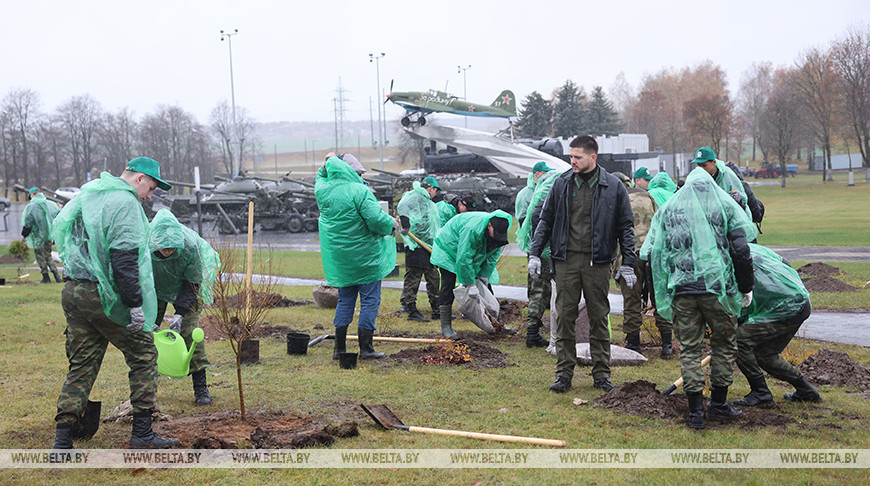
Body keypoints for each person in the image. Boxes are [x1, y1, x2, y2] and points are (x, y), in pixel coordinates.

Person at [51, 156, 179, 449]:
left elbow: (64, 232)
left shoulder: (91, 192)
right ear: (139, 179)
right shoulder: (125, 203)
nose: (150, 196)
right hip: (102, 294)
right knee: (144, 354)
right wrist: (134, 304)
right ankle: (143, 433)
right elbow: (123, 260)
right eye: (152, 188)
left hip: (73, 291)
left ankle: (63, 441)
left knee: (82, 364)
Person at [640, 166, 756, 430]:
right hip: (718, 291)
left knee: (690, 350)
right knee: (724, 344)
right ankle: (718, 405)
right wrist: (746, 286)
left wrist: (660, 295)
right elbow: (740, 248)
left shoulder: (670, 210)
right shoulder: (724, 207)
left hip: (683, 291)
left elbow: (652, 253)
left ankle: (694, 412)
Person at [529, 135, 636, 394]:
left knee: (599, 317)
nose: (572, 161)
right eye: (571, 156)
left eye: (577, 157)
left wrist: (628, 262)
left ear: (593, 157)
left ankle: (601, 374)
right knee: (565, 316)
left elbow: (626, 226)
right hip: (566, 261)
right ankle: (564, 374)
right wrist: (534, 253)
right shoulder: (562, 183)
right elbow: (546, 220)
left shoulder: (613, 186)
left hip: (597, 263)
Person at [316, 152, 398, 360]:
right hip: (366, 258)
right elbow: (376, 220)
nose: (362, 177)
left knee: (345, 301)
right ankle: (366, 348)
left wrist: (328, 163)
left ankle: (339, 349)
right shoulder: (359, 191)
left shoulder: (323, 190)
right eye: (359, 173)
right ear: (352, 172)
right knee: (370, 301)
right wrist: (392, 224)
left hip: (342, 260)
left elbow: (320, 175)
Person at [733, 244, 820, 407]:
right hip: (800, 301)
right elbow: (785, 262)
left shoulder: (730, 263)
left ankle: (760, 393)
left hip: (785, 308)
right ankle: (806, 391)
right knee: (765, 353)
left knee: (739, 341)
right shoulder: (749, 248)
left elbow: (739, 307)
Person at [149, 209, 221, 406]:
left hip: (187, 285)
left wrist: (180, 314)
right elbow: (139, 281)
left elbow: (192, 282)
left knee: (190, 333)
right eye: (165, 248)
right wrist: (148, 319)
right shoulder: (143, 246)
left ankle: (201, 387)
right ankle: (146, 388)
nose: (170, 251)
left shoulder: (190, 246)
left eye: (173, 248)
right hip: (153, 288)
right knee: (145, 335)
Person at [611, 172, 674, 359]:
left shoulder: (614, 199)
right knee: (660, 299)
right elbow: (661, 222)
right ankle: (667, 345)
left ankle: (633, 345)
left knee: (631, 300)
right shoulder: (648, 196)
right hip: (654, 253)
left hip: (628, 256)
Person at [431, 210, 512, 338]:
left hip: (466, 253)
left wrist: (484, 275)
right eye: (495, 233)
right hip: (448, 249)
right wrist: (470, 283)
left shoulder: (497, 233)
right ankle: (446, 327)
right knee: (448, 284)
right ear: (489, 225)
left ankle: (498, 323)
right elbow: (464, 258)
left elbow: (492, 257)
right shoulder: (472, 229)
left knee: (486, 286)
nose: (497, 236)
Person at [515, 163, 559, 348]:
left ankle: (533, 330)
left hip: (537, 249)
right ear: (538, 174)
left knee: (538, 289)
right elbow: (526, 221)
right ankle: (534, 332)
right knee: (541, 290)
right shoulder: (529, 194)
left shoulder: (536, 191)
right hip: (543, 249)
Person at [397, 176, 443, 322]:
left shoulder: (428, 202)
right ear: (431, 189)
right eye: (435, 190)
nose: (435, 193)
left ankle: (437, 309)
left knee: (433, 277)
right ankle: (411, 311)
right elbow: (402, 205)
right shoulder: (414, 196)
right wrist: (405, 223)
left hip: (428, 246)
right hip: (415, 245)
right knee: (413, 278)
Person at [691, 147, 753, 222]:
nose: (701, 169)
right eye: (699, 165)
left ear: (713, 162)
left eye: (704, 165)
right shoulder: (699, 178)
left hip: (733, 222)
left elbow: (743, 201)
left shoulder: (727, 175)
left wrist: (737, 199)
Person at [21, 187, 61, 283]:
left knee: (40, 256)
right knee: (48, 255)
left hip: (38, 236)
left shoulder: (32, 206)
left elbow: (29, 221)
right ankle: (57, 276)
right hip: (49, 236)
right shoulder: (51, 204)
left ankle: (46, 277)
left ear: (32, 195)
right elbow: (58, 217)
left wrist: (24, 233)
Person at [515, 162, 554, 226]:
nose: (548, 176)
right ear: (537, 174)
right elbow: (521, 217)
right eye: (545, 173)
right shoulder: (524, 194)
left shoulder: (546, 191)